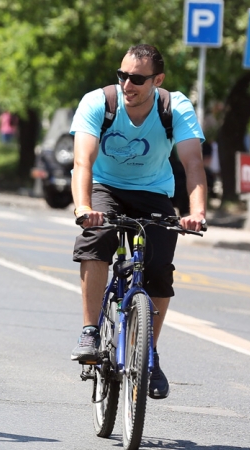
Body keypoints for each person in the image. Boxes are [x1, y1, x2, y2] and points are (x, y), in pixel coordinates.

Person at [69, 44, 207, 400]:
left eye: (138, 79)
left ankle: (149, 353)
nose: (128, 85)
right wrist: (83, 206)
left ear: (157, 80)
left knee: (160, 269)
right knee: (96, 240)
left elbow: (193, 164)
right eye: (123, 75)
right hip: (104, 187)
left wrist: (197, 212)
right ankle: (89, 330)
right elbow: (82, 162)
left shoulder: (174, 107)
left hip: (153, 192)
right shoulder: (98, 103)